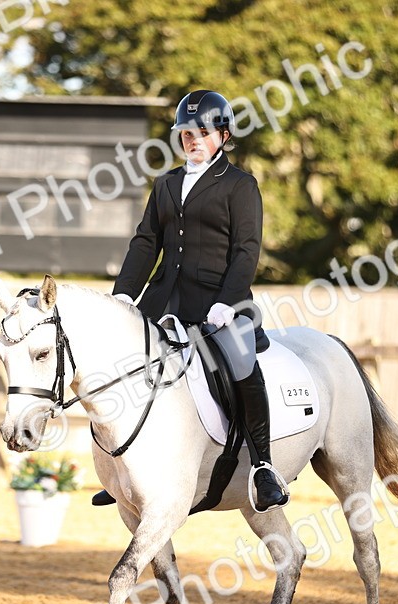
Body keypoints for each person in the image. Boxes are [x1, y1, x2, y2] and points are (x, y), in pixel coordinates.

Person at [93, 89, 289, 513]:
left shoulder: (240, 185)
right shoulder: (166, 185)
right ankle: (119, 467)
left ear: (222, 134)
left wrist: (229, 300)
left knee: (239, 364)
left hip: (221, 301)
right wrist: (125, 293)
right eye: (186, 133)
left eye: (202, 132)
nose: (193, 139)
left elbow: (246, 250)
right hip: (164, 298)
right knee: (117, 364)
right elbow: (146, 243)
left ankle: (263, 466)